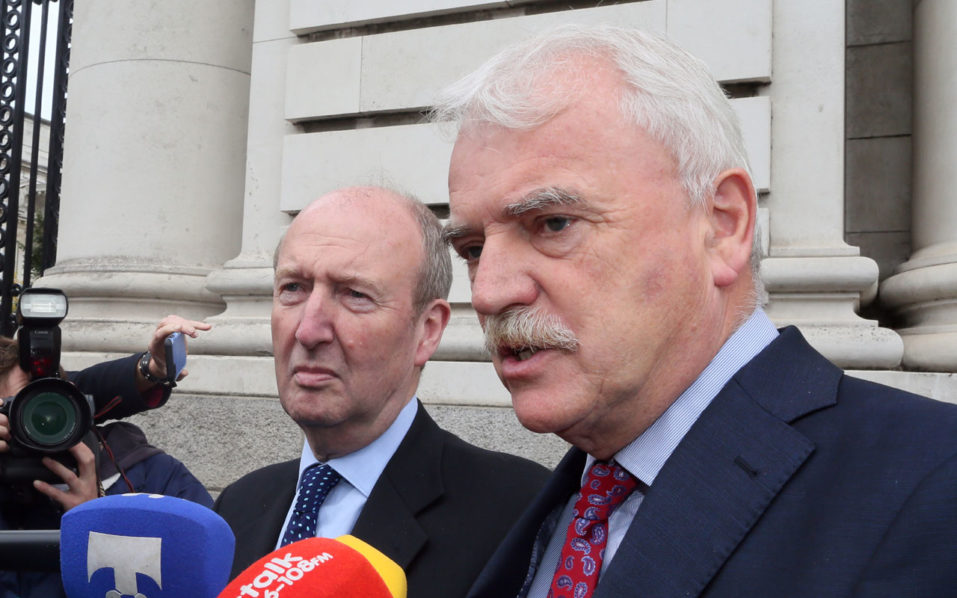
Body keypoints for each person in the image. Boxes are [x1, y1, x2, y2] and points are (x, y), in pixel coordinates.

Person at [434, 24, 957, 598]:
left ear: (722, 226)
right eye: (474, 250)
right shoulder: (554, 507)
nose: (487, 293)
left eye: (553, 223)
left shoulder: (933, 485)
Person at [214, 186, 549, 598]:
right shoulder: (238, 507)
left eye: (355, 294)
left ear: (427, 331)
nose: (308, 330)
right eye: (293, 288)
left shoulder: (517, 513)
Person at [0, 315, 212, 598]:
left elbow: (207, 575)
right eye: (8, 417)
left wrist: (98, 523)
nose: (34, 427)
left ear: (70, 402)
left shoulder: (154, 478)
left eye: (34, 408)